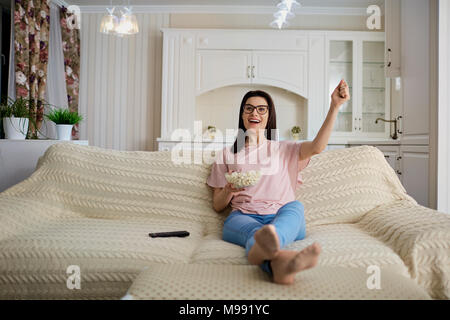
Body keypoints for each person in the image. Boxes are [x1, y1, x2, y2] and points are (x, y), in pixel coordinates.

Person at [206, 80, 350, 284]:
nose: (254, 113)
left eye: (261, 109)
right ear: (242, 114)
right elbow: (218, 205)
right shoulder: (227, 154)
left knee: (295, 207)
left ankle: (267, 244)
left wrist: (335, 106)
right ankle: (280, 263)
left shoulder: (284, 149)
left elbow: (318, 147)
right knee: (257, 234)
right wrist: (229, 189)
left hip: (283, 216)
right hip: (242, 217)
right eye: (249, 108)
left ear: (269, 115)